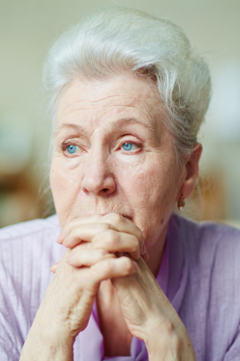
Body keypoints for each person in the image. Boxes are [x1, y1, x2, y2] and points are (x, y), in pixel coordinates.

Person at [0, 7, 240, 361]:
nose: (96, 180)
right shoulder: (5, 272)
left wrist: (166, 337)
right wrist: (53, 331)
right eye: (71, 146)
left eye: (129, 144)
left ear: (187, 172)